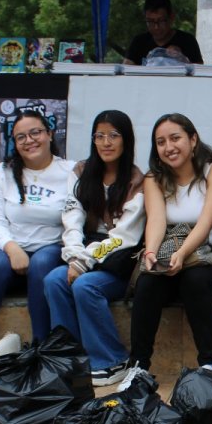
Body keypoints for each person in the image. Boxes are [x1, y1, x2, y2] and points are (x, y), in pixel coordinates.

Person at [44, 110, 146, 385]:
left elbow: (123, 236)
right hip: (86, 253)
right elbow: (72, 216)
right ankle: (70, 356)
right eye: (99, 136)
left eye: (113, 135)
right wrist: (75, 254)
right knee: (54, 280)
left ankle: (111, 360)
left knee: (85, 285)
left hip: (118, 262)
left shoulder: (137, 182)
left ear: (126, 141)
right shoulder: (80, 172)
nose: (106, 142)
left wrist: (84, 261)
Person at [130, 114, 212, 372]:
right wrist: (151, 252)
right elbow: (156, 221)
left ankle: (207, 364)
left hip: (204, 251)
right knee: (147, 283)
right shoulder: (154, 178)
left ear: (193, 139)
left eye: (175, 138)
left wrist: (183, 253)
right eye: (161, 142)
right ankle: (139, 367)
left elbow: (206, 223)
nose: (169, 147)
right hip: (168, 247)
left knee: (194, 281)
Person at [0, 110, 73, 343]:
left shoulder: (71, 171)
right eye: (21, 137)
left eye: (35, 133)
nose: (29, 141)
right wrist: (12, 248)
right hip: (11, 252)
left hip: (52, 250)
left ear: (50, 134)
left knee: (41, 262)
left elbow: (75, 219)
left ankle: (41, 346)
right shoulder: (0, 173)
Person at [123, 0, 204, 65]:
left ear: (171, 18)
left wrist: (181, 58)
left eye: (161, 21)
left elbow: (199, 72)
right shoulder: (139, 42)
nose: (156, 27)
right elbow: (126, 69)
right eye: (150, 22)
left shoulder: (187, 41)